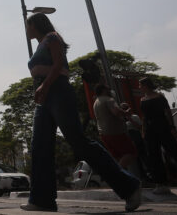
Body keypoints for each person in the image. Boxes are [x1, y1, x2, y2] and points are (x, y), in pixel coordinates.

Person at [21, 13, 141, 212]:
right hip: (44, 97)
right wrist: (41, 89)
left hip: (57, 91)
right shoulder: (41, 43)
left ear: (35, 24)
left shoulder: (52, 37)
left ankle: (129, 186)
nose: (26, 30)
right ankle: (42, 199)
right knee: (39, 146)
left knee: (78, 141)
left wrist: (45, 86)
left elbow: (59, 64)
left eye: (27, 26)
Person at [93, 84, 137, 169]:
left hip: (103, 134)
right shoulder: (109, 99)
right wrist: (126, 112)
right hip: (115, 132)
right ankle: (118, 173)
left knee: (118, 157)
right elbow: (116, 112)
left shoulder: (96, 102)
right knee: (131, 153)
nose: (109, 90)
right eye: (107, 88)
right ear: (103, 90)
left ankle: (123, 178)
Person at [123, 102, 149, 181]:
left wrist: (129, 118)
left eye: (125, 108)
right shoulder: (121, 120)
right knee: (136, 160)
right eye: (123, 108)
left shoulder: (134, 117)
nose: (124, 110)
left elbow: (139, 127)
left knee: (144, 157)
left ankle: (151, 173)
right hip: (129, 140)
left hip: (137, 138)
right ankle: (142, 176)